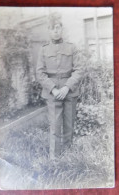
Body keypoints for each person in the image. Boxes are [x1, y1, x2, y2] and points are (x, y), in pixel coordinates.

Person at [36, 13, 82, 159]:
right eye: (52, 28)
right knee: (55, 126)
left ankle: (68, 156)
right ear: (49, 31)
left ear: (62, 29)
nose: (55, 31)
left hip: (69, 91)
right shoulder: (43, 50)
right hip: (52, 93)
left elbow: (79, 69)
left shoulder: (72, 47)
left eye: (58, 27)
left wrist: (66, 87)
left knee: (69, 125)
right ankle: (54, 159)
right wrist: (54, 89)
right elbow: (40, 73)